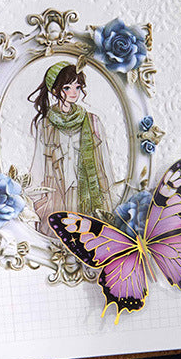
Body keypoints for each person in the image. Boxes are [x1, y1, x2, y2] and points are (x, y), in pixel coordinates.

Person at [28, 60, 115, 231]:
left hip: (87, 196)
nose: (74, 92)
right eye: (67, 87)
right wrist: (36, 200)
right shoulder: (45, 124)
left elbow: (104, 163)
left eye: (78, 86)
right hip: (55, 196)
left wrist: (111, 197)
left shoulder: (93, 121)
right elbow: (38, 165)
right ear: (55, 90)